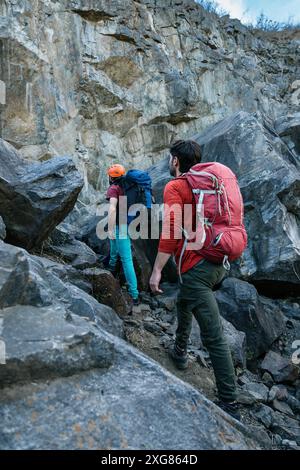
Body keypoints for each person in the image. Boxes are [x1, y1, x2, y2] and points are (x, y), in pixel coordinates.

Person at [149, 140, 240, 420]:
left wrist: (157, 270)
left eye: (169, 158)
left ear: (175, 161)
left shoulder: (176, 186)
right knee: (183, 301)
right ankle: (179, 351)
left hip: (197, 267)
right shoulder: (208, 184)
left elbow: (172, 229)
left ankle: (230, 403)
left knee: (213, 336)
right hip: (218, 261)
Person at [106, 164, 139, 305]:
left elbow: (112, 209)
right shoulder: (128, 186)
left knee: (127, 260)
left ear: (111, 177)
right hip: (132, 222)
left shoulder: (114, 188)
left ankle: (134, 295)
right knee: (114, 249)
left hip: (122, 226)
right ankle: (111, 271)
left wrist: (110, 228)